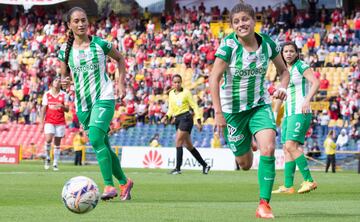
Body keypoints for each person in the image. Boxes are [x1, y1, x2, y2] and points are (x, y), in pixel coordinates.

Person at [209, 2, 289, 219]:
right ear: (232, 26)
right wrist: (218, 113)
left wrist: (282, 87)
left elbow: (284, 71)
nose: (241, 24)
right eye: (236, 21)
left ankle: (264, 204)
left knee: (269, 148)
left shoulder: (268, 44)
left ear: (254, 20)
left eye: (245, 19)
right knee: (244, 164)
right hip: (232, 113)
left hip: (259, 106)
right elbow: (213, 79)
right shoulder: (228, 47)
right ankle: (250, 141)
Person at [58, 7, 133, 201]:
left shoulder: (100, 44)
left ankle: (109, 185)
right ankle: (125, 182)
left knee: (96, 138)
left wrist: (121, 83)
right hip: (83, 104)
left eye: (83, 20)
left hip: (104, 97)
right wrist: (64, 82)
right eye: (76, 21)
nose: (81, 24)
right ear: (69, 25)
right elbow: (63, 77)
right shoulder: (65, 51)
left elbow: (120, 59)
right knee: (103, 144)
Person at [272, 42, 319, 195]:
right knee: (286, 148)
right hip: (288, 114)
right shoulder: (285, 72)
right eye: (285, 51)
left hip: (300, 111)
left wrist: (307, 100)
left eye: (292, 51)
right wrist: (274, 113)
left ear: (297, 53)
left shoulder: (301, 66)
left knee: (291, 146)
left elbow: (315, 83)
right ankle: (288, 185)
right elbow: (281, 94)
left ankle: (309, 180)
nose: (288, 54)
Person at [161, 74, 211, 175]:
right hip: (178, 119)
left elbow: (195, 106)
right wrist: (166, 117)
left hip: (186, 118)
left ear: (181, 82)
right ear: (172, 83)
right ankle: (205, 165)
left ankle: (178, 168)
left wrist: (198, 120)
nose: (177, 84)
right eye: (175, 82)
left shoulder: (186, 93)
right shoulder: (171, 94)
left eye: (178, 82)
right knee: (189, 146)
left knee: (178, 141)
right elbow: (171, 109)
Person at [40, 77, 69, 171]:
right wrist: (41, 123)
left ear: (61, 84)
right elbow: (43, 109)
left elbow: (67, 109)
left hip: (60, 121)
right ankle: (47, 158)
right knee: (48, 139)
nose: (57, 82)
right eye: (55, 80)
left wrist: (62, 106)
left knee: (57, 143)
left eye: (59, 81)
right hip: (49, 121)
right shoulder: (47, 94)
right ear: (52, 83)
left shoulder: (64, 95)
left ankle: (55, 163)